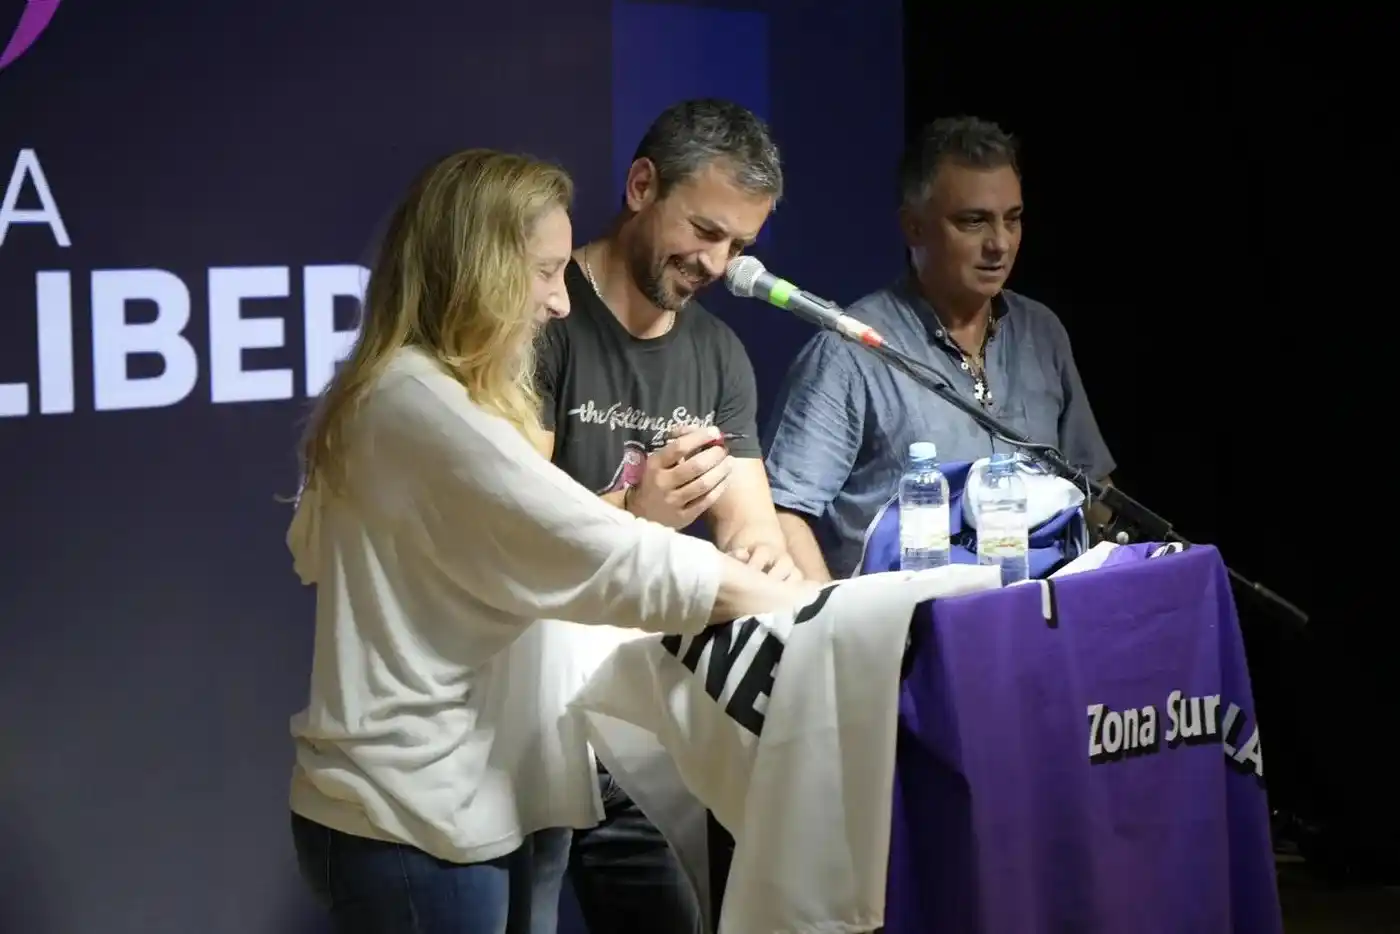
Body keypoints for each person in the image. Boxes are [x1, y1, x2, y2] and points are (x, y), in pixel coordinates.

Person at [283, 148, 811, 934]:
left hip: (467, 800)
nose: (562, 302)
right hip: (414, 820)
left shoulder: (419, 396)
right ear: (478, 270)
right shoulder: (416, 406)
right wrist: (802, 608)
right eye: (545, 273)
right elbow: (594, 549)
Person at [533, 99, 794, 933]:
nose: (717, 263)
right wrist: (638, 514)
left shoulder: (718, 354)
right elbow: (512, 533)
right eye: (706, 231)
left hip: (640, 720)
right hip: (525, 702)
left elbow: (752, 533)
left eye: (739, 247)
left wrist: (770, 569)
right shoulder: (544, 318)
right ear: (642, 186)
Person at [765, 116, 1116, 582]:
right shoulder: (850, 353)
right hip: (909, 622)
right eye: (974, 221)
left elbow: (1096, 494)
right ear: (914, 227)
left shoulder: (1041, 332)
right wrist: (833, 616)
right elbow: (783, 513)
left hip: (1041, 614)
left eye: (1012, 219)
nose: (999, 244)